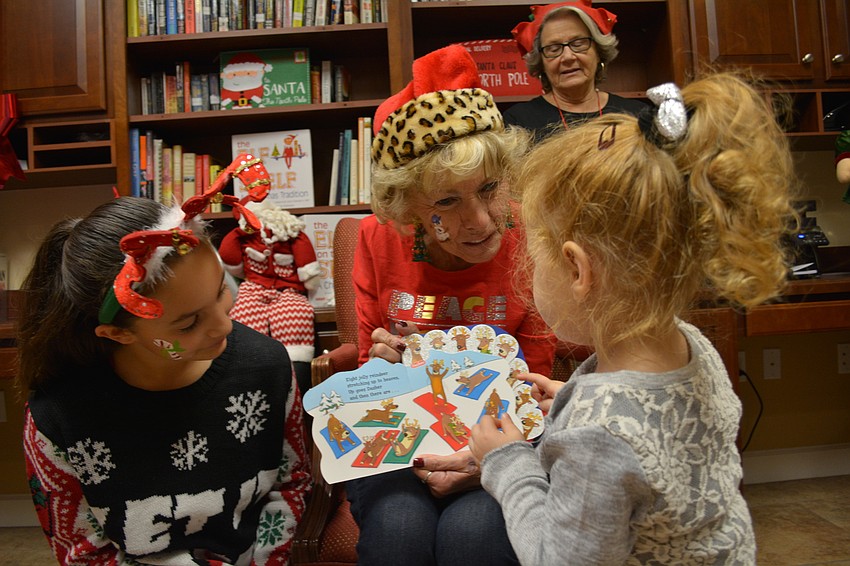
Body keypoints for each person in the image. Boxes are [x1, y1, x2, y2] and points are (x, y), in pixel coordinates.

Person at [469, 71, 798, 564]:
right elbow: (651, 435)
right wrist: (574, 399)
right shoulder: (691, 344)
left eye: (534, 256)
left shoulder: (598, 435)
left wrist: (508, 463)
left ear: (577, 269)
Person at [17, 194, 311, 564]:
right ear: (118, 334)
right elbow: (83, 551)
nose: (224, 325)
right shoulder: (58, 415)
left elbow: (292, 484)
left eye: (221, 289)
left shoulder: (266, 366)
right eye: (189, 323)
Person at [347, 44, 556, 566]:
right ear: (407, 208)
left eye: (489, 189)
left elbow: (535, 385)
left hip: (503, 440)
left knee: (474, 537)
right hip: (400, 441)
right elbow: (367, 371)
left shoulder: (531, 235)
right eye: (446, 201)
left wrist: (489, 461)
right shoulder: (376, 238)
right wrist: (379, 367)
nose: (481, 221)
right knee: (399, 530)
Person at [504, 0, 647, 141]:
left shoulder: (638, 116)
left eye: (578, 44)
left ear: (598, 52)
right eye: (553, 49)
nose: (568, 57)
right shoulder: (517, 122)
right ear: (541, 63)